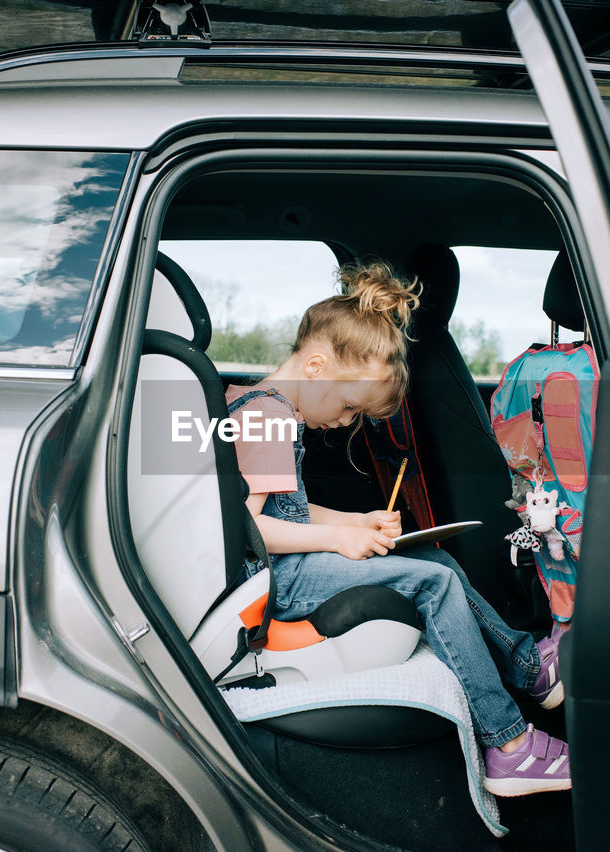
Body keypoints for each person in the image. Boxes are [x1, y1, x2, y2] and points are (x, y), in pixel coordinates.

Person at [225, 260, 570, 796]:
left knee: (436, 561)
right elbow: (247, 527)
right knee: (432, 581)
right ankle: (508, 744)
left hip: (285, 564)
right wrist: (338, 540)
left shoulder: (262, 407)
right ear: (315, 365)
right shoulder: (267, 415)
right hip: (276, 579)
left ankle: (526, 665)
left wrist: (354, 522)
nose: (345, 422)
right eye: (346, 406)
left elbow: (284, 511)